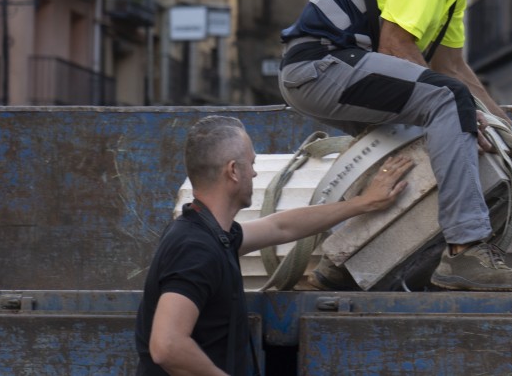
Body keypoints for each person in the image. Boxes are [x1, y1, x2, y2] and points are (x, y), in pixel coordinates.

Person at [278, 0, 512, 293]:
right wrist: (465, 114)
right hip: (319, 68)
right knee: (448, 107)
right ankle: (465, 252)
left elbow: (452, 67)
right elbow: (396, 46)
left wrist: (504, 127)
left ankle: (342, 263)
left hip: (339, 72)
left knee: (439, 133)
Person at [135, 114, 413, 375]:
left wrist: (363, 203)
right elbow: (167, 345)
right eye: (251, 164)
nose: (255, 174)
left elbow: (280, 226)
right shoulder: (195, 248)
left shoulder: (211, 235)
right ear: (233, 171)